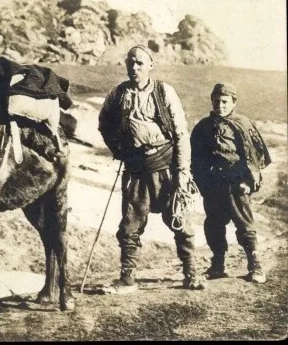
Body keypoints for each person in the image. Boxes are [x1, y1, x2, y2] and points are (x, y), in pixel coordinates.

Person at [98, 45, 205, 294]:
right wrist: (119, 149)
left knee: (181, 222)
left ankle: (191, 273)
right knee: (129, 226)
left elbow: (180, 133)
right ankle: (127, 279)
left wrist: (183, 170)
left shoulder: (164, 91)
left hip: (165, 166)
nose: (134, 68)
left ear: (150, 66)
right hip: (135, 168)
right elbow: (104, 124)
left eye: (140, 63)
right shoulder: (118, 94)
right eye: (130, 63)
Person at [190, 83, 271, 283]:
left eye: (225, 101)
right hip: (212, 185)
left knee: (244, 225)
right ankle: (218, 265)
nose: (220, 105)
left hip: (236, 184)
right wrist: (201, 183)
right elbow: (195, 158)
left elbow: (256, 157)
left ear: (234, 102)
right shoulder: (203, 127)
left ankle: (255, 266)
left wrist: (248, 182)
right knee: (214, 225)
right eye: (216, 101)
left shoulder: (243, 124)